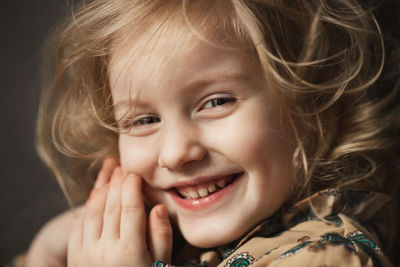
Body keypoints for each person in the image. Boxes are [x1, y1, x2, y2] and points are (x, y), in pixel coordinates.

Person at [9, 0, 400, 266]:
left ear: (306, 106)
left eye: (216, 102)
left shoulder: (325, 256)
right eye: (144, 120)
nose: (177, 153)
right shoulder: (145, 242)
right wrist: (47, 253)